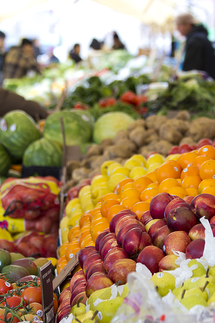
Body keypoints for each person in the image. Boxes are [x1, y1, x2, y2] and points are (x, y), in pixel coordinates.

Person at [176, 13, 215, 79]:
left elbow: (191, 70)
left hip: (204, 83)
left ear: (188, 24)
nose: (177, 29)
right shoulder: (200, 36)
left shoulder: (195, 41)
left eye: (179, 26)